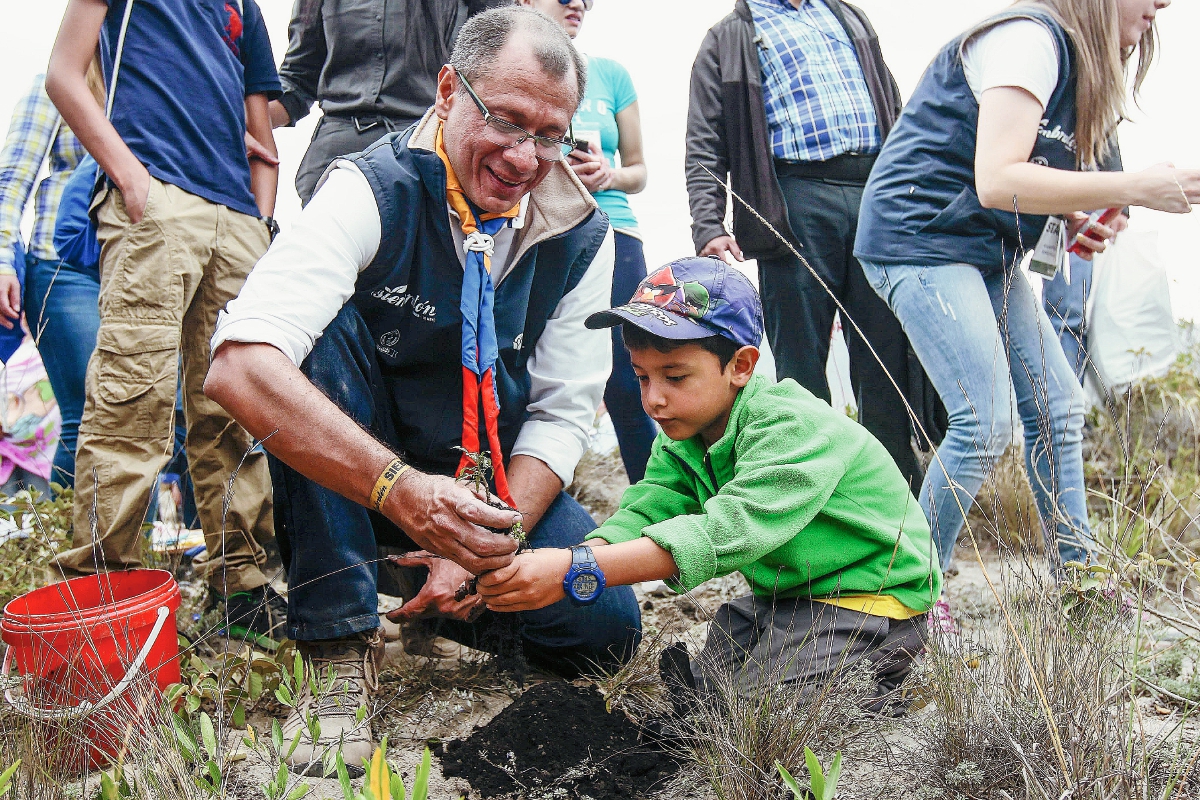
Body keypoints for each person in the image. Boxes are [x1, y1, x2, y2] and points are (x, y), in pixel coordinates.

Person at [205, 7, 641, 773]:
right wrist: (405, 495)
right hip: (362, 485)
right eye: (506, 121)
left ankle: (428, 603)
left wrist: (478, 542)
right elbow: (238, 364)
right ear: (448, 90)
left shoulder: (582, 234)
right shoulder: (367, 188)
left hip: (481, 489)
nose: (524, 156)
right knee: (301, 340)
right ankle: (337, 643)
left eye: (550, 134)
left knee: (604, 627)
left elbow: (563, 413)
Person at [853, 0, 1198, 612]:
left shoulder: (1079, 66)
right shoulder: (1028, 39)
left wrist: (1067, 216)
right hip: (920, 237)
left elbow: (1021, 170)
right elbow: (995, 177)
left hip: (984, 249)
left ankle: (1080, 581)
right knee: (983, 423)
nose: (1164, 4)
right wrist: (1132, 185)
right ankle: (904, 598)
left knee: (1058, 406)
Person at [477, 256, 940, 709]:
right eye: (641, 377)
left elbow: (729, 530)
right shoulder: (683, 435)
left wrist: (579, 569)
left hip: (874, 600)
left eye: (675, 377)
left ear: (740, 365)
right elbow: (647, 509)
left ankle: (889, 676)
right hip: (791, 598)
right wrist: (569, 559)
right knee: (711, 675)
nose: (653, 400)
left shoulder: (792, 426)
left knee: (754, 710)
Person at [44, 0, 284, 645]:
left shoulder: (244, 10)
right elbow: (63, 73)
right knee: (134, 397)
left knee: (232, 409)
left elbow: (261, 128)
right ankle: (102, 593)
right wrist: (129, 177)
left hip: (236, 220)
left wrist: (257, 221)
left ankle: (244, 591)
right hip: (156, 199)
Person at [686, 0, 927, 489]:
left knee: (888, 356)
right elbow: (704, 140)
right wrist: (708, 223)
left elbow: (896, 111)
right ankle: (817, 497)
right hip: (791, 199)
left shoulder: (849, 16)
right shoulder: (728, 37)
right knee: (801, 367)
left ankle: (896, 498)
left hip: (875, 193)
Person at [517, 0, 656, 482]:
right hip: (530, 232)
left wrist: (608, 173)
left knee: (630, 380)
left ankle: (660, 515)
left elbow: (639, 172)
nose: (578, 2)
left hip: (613, 231)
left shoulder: (611, 74)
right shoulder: (505, 68)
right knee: (527, 373)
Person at [273, 0, 509, 204]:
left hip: (427, 150)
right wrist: (241, 120)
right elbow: (298, 79)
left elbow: (499, 67)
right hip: (335, 156)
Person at [0, 74, 88, 488]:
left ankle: (130, 542)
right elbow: (11, 182)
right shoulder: (57, 81)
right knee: (91, 409)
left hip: (142, 266)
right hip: (63, 266)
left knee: (159, 416)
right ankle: (70, 546)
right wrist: (2, 261)